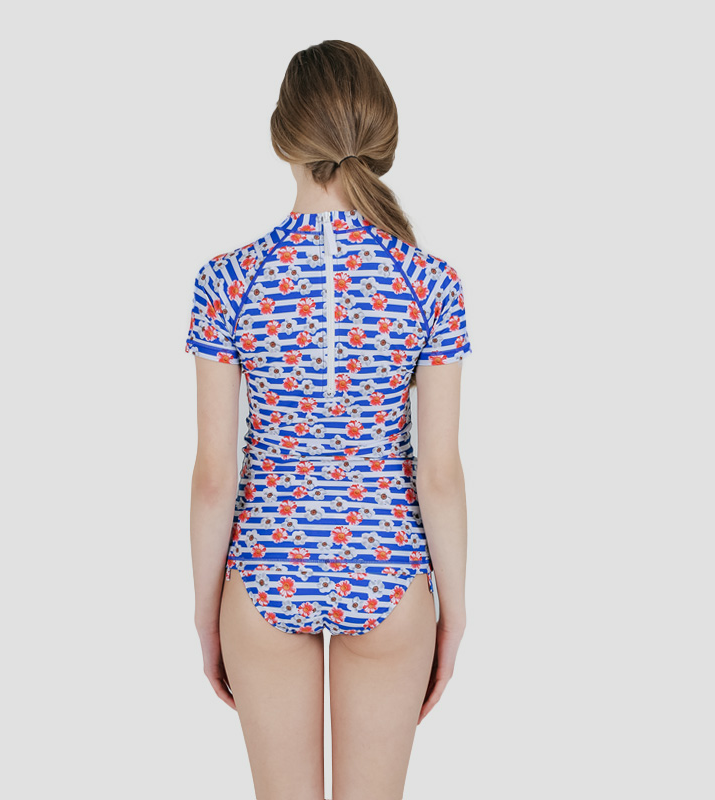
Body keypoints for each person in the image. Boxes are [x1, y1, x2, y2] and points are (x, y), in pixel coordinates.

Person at [185, 40, 473, 800]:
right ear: (380, 135)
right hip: (389, 570)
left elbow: (214, 476)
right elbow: (440, 475)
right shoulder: (430, 283)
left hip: (263, 571)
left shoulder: (228, 280)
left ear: (284, 136)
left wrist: (207, 618)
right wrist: (453, 616)